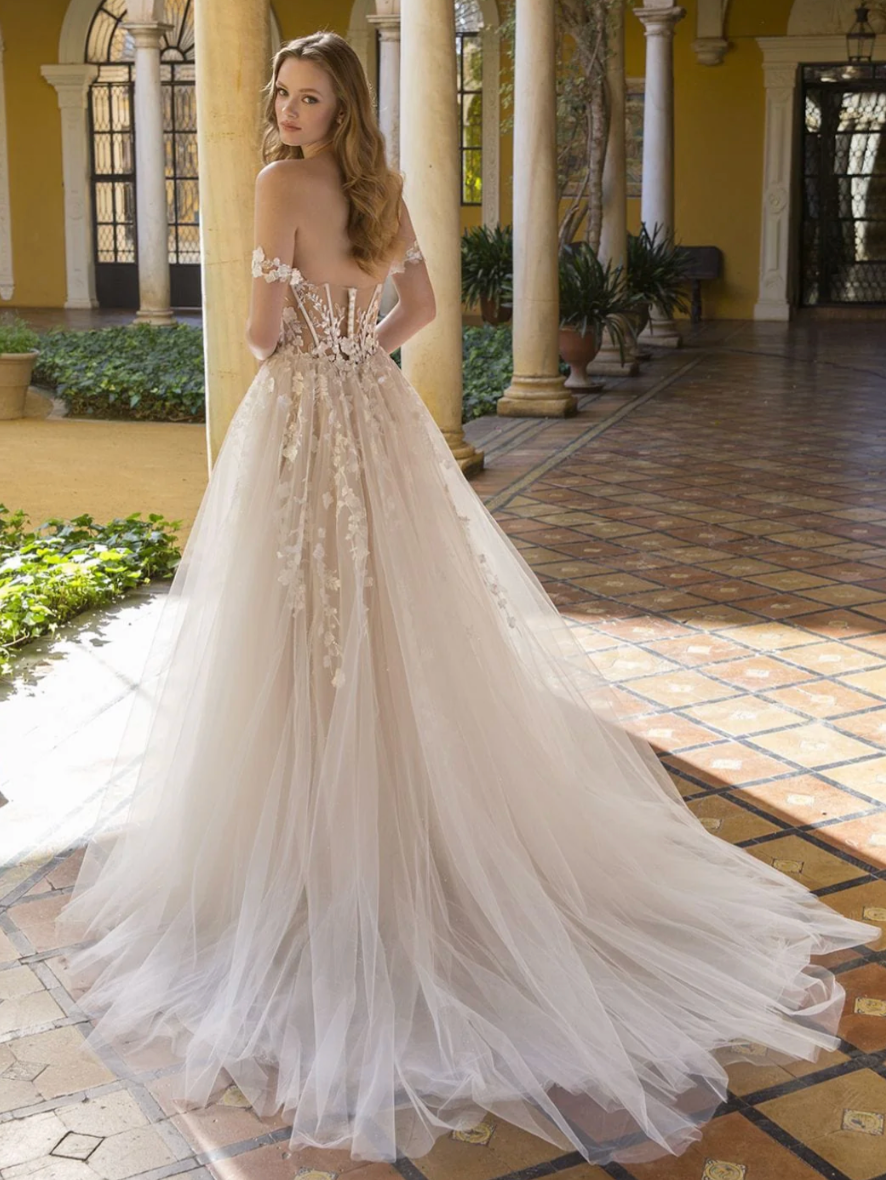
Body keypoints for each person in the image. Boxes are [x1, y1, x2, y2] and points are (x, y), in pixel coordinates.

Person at [57, 30, 879, 1170]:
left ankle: (312, 854)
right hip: (375, 419)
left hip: (302, 425)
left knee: (300, 628)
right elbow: (422, 309)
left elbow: (252, 334)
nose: (285, 110)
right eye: (283, 94)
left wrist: (305, 338)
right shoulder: (376, 191)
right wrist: (359, 350)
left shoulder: (271, 184)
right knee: (398, 624)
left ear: (334, 108)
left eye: (303, 97)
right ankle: (399, 828)